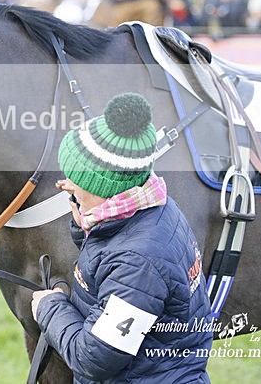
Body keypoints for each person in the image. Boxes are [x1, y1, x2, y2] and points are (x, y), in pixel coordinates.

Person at [31, 92, 212, 383]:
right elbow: (114, 259)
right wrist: (86, 226)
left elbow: (93, 359)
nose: (68, 184)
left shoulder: (137, 264)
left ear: (105, 188)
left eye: (77, 179)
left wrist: (49, 308)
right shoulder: (152, 205)